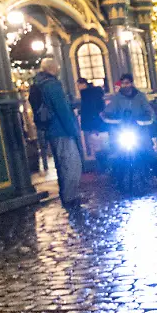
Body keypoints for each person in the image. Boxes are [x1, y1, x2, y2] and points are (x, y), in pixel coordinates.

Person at [30, 56, 83, 207]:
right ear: (53, 69)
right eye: (58, 67)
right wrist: (73, 130)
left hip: (51, 130)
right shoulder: (52, 85)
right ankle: (70, 197)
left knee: (61, 163)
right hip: (61, 130)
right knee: (71, 164)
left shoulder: (39, 83)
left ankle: (66, 195)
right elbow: (62, 110)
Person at [77, 78, 107, 160]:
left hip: (92, 124)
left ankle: (100, 165)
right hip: (98, 122)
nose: (78, 87)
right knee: (100, 145)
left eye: (79, 85)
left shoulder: (86, 95)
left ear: (83, 84)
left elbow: (89, 110)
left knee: (95, 145)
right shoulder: (94, 93)